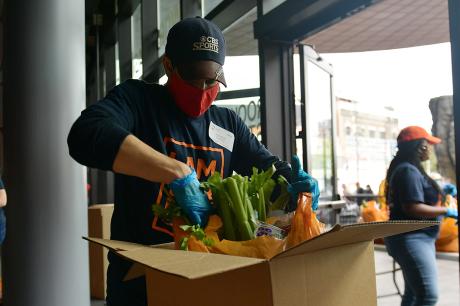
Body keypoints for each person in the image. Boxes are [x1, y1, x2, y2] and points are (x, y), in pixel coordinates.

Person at [67, 17, 319, 306]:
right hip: (139, 281)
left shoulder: (227, 123)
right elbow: (86, 134)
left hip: (206, 279)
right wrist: (176, 172)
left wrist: (298, 187)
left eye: (211, 80)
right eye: (193, 77)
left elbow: (270, 170)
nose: (202, 89)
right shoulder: (139, 101)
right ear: (168, 65)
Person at [383, 126, 458, 306]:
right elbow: (413, 207)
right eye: (428, 144)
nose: (430, 149)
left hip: (415, 238)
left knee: (413, 294)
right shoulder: (407, 170)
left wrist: (441, 192)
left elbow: (419, 197)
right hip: (411, 238)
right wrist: (446, 211)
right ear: (419, 146)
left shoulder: (408, 168)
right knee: (428, 296)